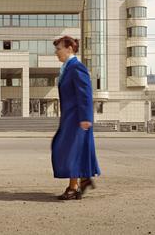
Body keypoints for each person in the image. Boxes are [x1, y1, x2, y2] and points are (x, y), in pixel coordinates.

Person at [51, 36, 100, 200]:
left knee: (67, 150)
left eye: (59, 49)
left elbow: (85, 94)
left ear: (69, 49)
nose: (56, 52)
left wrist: (86, 117)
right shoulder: (67, 68)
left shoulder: (77, 67)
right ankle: (83, 179)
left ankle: (75, 186)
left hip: (77, 119)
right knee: (71, 149)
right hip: (70, 118)